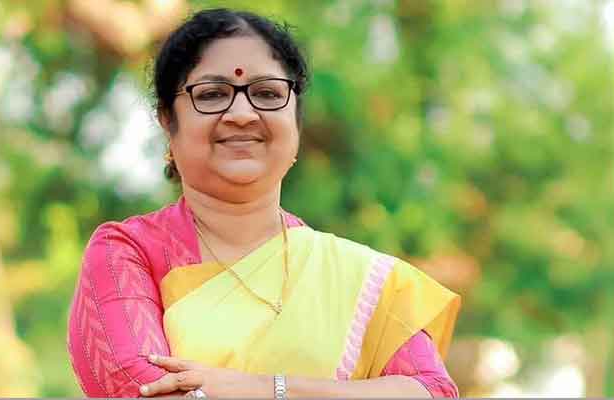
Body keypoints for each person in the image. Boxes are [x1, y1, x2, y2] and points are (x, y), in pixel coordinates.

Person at [67, 8, 461, 398]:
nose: (242, 113)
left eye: (267, 93)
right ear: (168, 122)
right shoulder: (128, 254)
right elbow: (150, 392)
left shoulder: (362, 280)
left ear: (296, 122)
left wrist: (268, 388)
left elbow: (431, 391)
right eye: (212, 94)